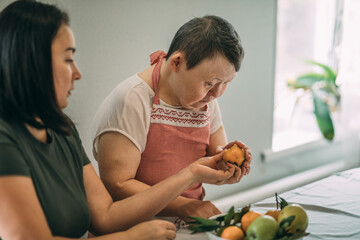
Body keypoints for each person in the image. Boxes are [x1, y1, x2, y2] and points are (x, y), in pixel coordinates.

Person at [0, 1, 246, 239]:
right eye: (67, 59)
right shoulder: (5, 142)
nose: (77, 73)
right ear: (30, 64)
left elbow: (105, 216)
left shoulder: (63, 130)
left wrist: (196, 173)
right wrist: (130, 237)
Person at [92, 15, 252, 228]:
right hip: (136, 228)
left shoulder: (205, 100)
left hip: (187, 223)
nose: (217, 94)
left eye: (226, 84)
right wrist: (183, 206)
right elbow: (118, 185)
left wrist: (227, 167)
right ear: (177, 62)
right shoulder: (132, 100)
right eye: (210, 83)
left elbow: (216, 156)